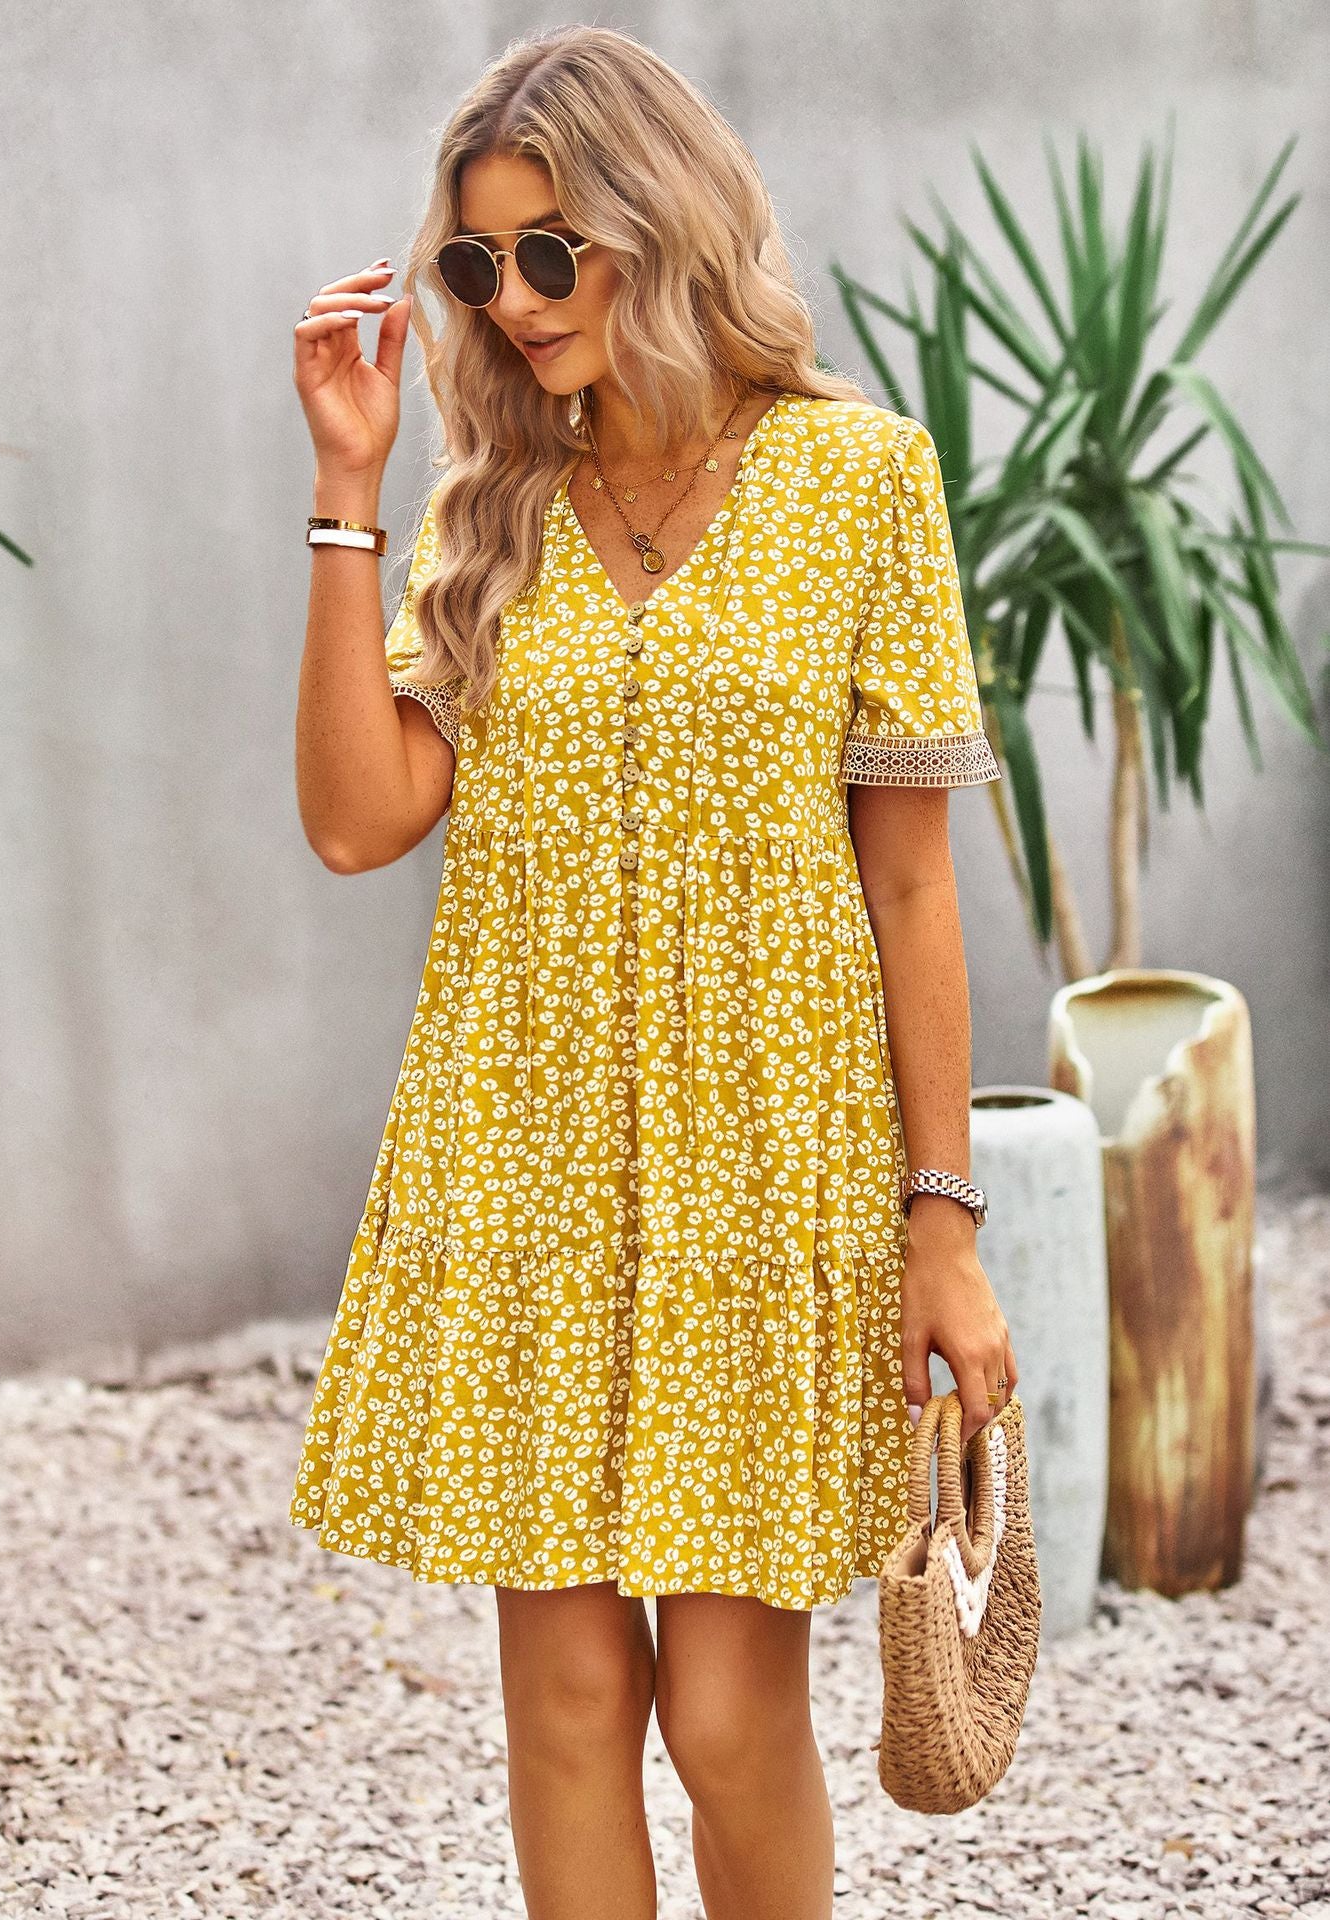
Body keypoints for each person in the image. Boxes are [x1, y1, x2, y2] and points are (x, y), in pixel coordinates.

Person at [287, 23, 1019, 1920]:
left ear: (661, 224)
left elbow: (910, 886)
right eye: (477, 262)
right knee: (565, 1702)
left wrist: (941, 1220)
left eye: (552, 250)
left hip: (761, 1162)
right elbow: (358, 822)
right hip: (520, 1153)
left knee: (722, 1712)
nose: (514, 299)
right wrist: (350, 487)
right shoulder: (486, 510)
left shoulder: (856, 478)